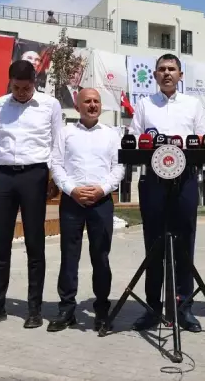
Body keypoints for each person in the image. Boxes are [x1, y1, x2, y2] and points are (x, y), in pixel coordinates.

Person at [0, 60, 63, 329]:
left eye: (26, 88)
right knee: (0, 243)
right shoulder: (0, 104)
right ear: (9, 83)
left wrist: (54, 177)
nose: (21, 93)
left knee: (35, 243)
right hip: (4, 177)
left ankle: (34, 308)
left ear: (35, 83)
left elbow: (57, 143)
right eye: (16, 88)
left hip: (35, 175)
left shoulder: (50, 105)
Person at [128, 53, 205, 332]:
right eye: (161, 69)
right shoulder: (144, 104)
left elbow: (203, 140)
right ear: (154, 75)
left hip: (185, 181)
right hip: (153, 182)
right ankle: (153, 308)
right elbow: (134, 139)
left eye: (172, 69)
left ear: (180, 75)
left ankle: (183, 309)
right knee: (154, 244)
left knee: (185, 244)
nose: (166, 73)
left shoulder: (193, 104)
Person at [48, 88, 125, 332]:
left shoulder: (112, 134)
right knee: (69, 257)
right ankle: (66, 309)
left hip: (101, 202)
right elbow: (56, 165)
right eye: (87, 101)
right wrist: (72, 190)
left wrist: (102, 189)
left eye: (96, 101)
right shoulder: (66, 133)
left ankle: (101, 309)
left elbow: (119, 167)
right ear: (77, 106)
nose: (92, 105)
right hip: (72, 201)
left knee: (101, 257)